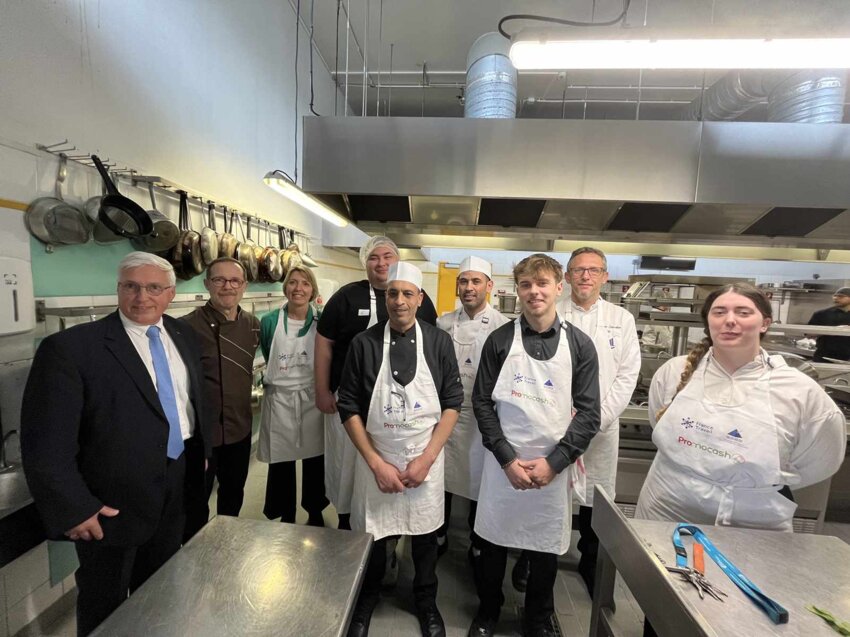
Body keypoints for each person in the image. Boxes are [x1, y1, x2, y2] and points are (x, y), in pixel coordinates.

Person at [21, 252, 210, 637]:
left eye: (153, 287)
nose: (142, 297)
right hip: (110, 502)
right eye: (131, 286)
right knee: (104, 600)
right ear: (118, 289)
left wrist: (201, 454)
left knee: (160, 587)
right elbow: (46, 442)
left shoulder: (183, 335)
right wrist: (75, 508)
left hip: (176, 484)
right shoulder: (73, 348)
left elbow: (192, 402)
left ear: (170, 293)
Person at [637, 282, 846, 531]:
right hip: (666, 507)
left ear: (765, 323)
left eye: (743, 312)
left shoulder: (799, 391)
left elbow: (821, 462)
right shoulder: (673, 372)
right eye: (719, 312)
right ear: (708, 321)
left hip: (751, 521)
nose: (729, 320)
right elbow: (658, 421)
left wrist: (748, 485)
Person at [469, 253, 601, 637]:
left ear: (559, 288)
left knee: (544, 549)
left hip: (552, 467)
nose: (534, 292)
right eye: (526, 285)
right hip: (503, 464)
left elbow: (589, 413)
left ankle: (538, 617)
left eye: (542, 283)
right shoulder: (499, 341)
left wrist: (555, 462)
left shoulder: (580, 345)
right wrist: (507, 459)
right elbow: (482, 403)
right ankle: (488, 611)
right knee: (493, 542)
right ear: (517, 290)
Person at [337, 262, 463, 637]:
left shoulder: (438, 342)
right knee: (375, 538)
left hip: (425, 458)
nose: (399, 301)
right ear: (384, 298)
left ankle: (426, 601)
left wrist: (426, 460)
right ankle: (366, 599)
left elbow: (453, 403)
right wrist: (376, 463)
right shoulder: (364, 344)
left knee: (425, 540)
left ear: (420, 298)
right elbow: (349, 407)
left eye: (408, 293)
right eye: (392, 293)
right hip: (377, 457)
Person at [315, 236, 438, 530]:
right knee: (347, 466)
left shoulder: (421, 301)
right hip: (350, 402)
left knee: (393, 466)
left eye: (387, 257)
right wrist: (321, 390)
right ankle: (346, 523)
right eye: (373, 257)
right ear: (365, 263)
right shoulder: (346, 297)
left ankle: (391, 529)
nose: (381, 263)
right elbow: (323, 343)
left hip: (402, 406)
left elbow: (431, 348)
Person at [541, 246, 641, 599]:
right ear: (567, 277)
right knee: (549, 493)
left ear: (605, 277)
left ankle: (590, 560)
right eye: (578, 270)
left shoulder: (621, 319)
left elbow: (627, 375)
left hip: (600, 429)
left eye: (593, 270)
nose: (585, 276)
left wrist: (595, 419)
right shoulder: (552, 313)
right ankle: (537, 558)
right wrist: (560, 419)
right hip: (554, 426)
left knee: (595, 499)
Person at [435, 256, 508, 561]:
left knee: (481, 478)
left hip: (483, 419)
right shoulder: (443, 323)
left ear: (489, 286)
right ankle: (438, 534)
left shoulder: (504, 327)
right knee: (441, 477)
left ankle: (478, 539)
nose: (469, 287)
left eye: (476, 281)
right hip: (446, 413)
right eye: (463, 281)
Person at [181, 257, 260, 540]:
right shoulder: (185, 327)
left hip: (239, 427)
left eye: (235, 280)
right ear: (207, 284)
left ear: (244, 285)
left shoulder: (253, 325)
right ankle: (195, 551)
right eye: (219, 280)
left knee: (233, 494)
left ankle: (226, 543)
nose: (228, 286)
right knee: (195, 502)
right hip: (201, 435)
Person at [258, 265, 329, 525]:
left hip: (312, 398)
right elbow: (269, 353)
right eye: (293, 282)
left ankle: (315, 510)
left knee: (315, 460)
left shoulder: (323, 320)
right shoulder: (269, 321)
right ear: (285, 287)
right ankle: (285, 513)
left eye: (305, 283)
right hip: (280, 399)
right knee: (280, 460)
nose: (298, 288)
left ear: (313, 290)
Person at [807, 286, 850, 362]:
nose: (836, 298)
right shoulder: (821, 314)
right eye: (835, 296)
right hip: (824, 356)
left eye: (841, 296)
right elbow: (808, 334)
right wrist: (832, 330)